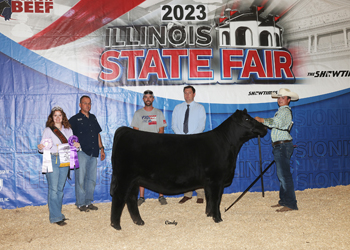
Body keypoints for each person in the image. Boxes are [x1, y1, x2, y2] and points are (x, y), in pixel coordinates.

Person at [254, 88, 299, 212]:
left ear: (288, 100)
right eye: (279, 97)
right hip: (281, 146)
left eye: (283, 97)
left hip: (282, 146)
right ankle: (284, 201)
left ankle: (290, 204)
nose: (280, 99)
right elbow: (277, 124)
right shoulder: (281, 111)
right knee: (282, 175)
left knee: (284, 176)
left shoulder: (284, 111)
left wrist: (263, 120)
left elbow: (277, 123)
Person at [38, 106, 81, 226]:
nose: (57, 118)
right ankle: (55, 217)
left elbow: (73, 147)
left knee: (59, 190)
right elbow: (43, 147)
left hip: (65, 159)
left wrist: (77, 145)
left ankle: (58, 213)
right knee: (53, 189)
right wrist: (40, 147)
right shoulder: (48, 130)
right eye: (55, 115)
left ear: (63, 117)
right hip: (51, 158)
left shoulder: (68, 130)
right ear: (52, 117)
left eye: (59, 115)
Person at [131, 90, 168, 206]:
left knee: (160, 172)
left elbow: (161, 130)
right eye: (146, 97)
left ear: (153, 99)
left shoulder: (158, 113)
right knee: (141, 173)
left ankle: (161, 196)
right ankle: (141, 197)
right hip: (142, 149)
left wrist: (158, 145)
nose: (148, 99)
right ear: (143, 99)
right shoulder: (138, 113)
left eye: (150, 97)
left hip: (156, 148)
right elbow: (135, 132)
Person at [69, 96, 105, 212]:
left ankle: (88, 202)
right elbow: (68, 134)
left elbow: (98, 134)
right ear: (80, 105)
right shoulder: (74, 119)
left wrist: (102, 149)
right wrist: (73, 143)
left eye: (89, 103)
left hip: (94, 152)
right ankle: (80, 203)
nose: (87, 105)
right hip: (81, 152)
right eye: (85, 103)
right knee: (81, 178)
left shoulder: (93, 118)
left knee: (92, 179)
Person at [172, 85, 206, 204]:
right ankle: (187, 194)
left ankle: (200, 194)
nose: (187, 95)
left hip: (195, 141)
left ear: (194, 94)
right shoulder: (177, 108)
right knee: (184, 168)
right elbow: (174, 125)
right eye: (185, 93)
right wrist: (182, 137)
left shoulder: (200, 108)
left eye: (189, 93)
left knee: (198, 168)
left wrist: (191, 137)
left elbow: (201, 126)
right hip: (181, 142)